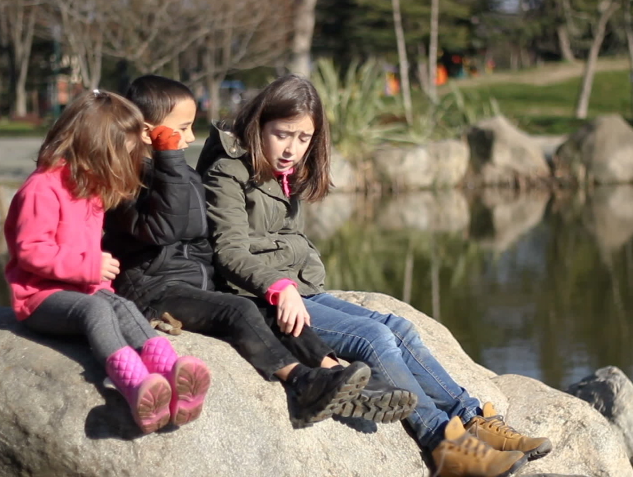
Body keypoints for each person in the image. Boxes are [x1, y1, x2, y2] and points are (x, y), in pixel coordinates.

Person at [198, 74, 553, 477]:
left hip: (296, 289)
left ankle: (471, 418)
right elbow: (228, 250)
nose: (292, 149)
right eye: (283, 134)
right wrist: (278, 287)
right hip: (253, 299)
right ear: (259, 122)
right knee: (373, 338)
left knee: (398, 326)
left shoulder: (280, 169)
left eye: (303, 138)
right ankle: (445, 446)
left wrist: (293, 281)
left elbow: (281, 238)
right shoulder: (228, 168)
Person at [101, 74, 417, 427]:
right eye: (184, 128)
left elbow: (198, 235)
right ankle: (301, 382)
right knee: (240, 309)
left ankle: (335, 375)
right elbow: (169, 227)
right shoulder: (128, 180)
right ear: (149, 132)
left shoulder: (179, 174)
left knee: (268, 312)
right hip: (153, 290)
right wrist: (170, 162)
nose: (191, 137)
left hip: (190, 284)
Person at [3, 90, 211, 434]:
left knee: (123, 307)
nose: (128, 160)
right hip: (41, 298)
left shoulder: (90, 187)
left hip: (86, 289)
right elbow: (30, 250)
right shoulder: (41, 188)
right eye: (122, 152)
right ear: (96, 148)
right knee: (96, 312)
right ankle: (135, 386)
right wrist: (88, 266)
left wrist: (95, 278)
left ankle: (174, 373)